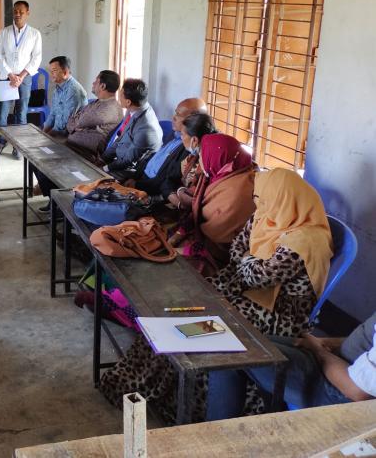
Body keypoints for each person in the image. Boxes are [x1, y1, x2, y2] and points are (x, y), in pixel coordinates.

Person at [100, 168, 333, 424]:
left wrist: (246, 260)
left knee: (190, 333)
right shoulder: (267, 217)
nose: (257, 204)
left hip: (273, 315)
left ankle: (180, 406)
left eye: (262, 198)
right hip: (238, 294)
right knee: (168, 316)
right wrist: (248, 260)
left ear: (283, 198)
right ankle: (140, 389)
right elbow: (237, 249)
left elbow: (256, 276)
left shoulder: (308, 241)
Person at [207, 310, 376, 420]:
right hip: (337, 365)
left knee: (229, 353)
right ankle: (269, 415)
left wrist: (320, 351)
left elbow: (357, 391)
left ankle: (213, 439)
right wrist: (326, 343)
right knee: (248, 341)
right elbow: (367, 338)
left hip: (338, 392)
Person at [171, 133, 256, 275]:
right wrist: (178, 234)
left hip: (222, 258)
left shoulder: (236, 195)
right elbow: (196, 205)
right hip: (202, 240)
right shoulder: (224, 172)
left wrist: (178, 250)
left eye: (203, 155)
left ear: (217, 157)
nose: (201, 160)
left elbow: (218, 242)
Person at [123, 98, 209, 197]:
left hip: (150, 191)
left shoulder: (190, 148)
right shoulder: (175, 133)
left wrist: (137, 185)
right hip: (140, 178)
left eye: (178, 115)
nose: (173, 118)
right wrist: (134, 177)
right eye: (175, 113)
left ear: (193, 121)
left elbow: (165, 180)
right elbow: (154, 157)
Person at [0, 0, 43, 159]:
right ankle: (1, 142)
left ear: (27, 13)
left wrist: (21, 76)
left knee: (21, 113)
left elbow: (36, 58)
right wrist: (10, 74)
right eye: (15, 11)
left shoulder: (35, 34)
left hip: (25, 78)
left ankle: (18, 147)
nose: (17, 14)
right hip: (6, 78)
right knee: (2, 113)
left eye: (21, 12)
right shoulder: (4, 32)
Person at [99, 78, 163, 175]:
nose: (118, 97)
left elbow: (128, 161)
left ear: (128, 102)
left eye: (120, 95)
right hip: (119, 161)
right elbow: (120, 139)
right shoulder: (135, 109)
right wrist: (102, 159)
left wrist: (104, 168)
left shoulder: (146, 128)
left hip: (131, 171)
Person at [65, 69, 123, 160]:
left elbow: (75, 123)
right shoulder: (97, 102)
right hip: (73, 147)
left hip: (84, 154)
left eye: (96, 81)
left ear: (103, 86)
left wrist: (77, 127)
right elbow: (71, 123)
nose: (93, 83)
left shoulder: (108, 109)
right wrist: (79, 127)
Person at [166, 112, 217, 210]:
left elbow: (200, 199)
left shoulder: (209, 165)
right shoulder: (193, 156)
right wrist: (175, 195)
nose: (181, 138)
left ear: (194, 140)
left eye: (182, 134)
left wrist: (180, 194)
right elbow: (170, 179)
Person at [42, 56, 87, 136]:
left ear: (65, 72)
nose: (51, 74)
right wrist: (42, 133)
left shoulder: (73, 91)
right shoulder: (58, 89)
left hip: (70, 136)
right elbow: (52, 114)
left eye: (54, 71)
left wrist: (47, 137)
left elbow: (65, 125)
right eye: (50, 71)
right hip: (57, 133)